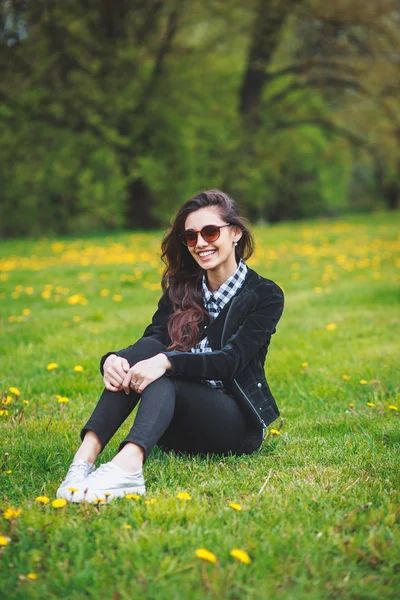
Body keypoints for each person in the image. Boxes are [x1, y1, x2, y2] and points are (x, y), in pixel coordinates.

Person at [56, 190, 284, 503]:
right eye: (191, 237)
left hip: (234, 424)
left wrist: (167, 362)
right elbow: (153, 339)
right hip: (177, 428)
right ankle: (82, 462)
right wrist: (113, 360)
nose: (201, 243)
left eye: (210, 232)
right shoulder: (184, 285)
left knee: (164, 371)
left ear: (235, 233)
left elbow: (231, 361)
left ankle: (129, 466)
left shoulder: (265, 294)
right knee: (143, 356)